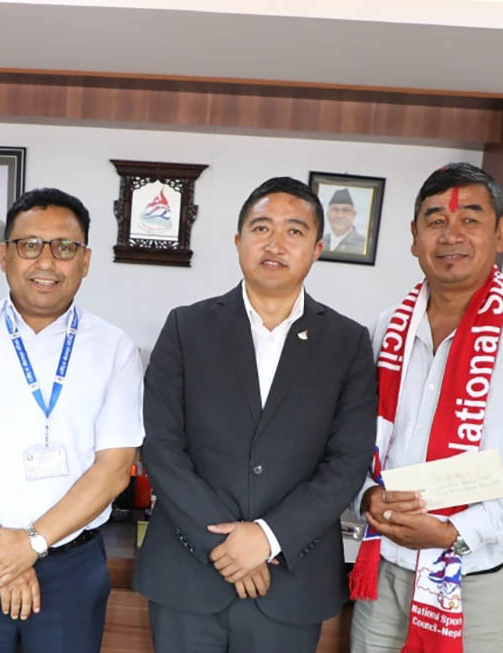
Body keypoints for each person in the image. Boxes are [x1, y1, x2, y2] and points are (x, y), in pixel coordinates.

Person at [134, 176, 377, 652]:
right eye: (261, 228)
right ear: (238, 241)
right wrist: (226, 546)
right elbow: (161, 446)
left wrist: (267, 538)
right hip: (188, 575)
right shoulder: (187, 327)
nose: (275, 243)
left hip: (291, 580)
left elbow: (347, 462)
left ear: (317, 248)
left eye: (294, 231)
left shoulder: (347, 343)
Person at [348, 163, 503, 653]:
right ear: (414, 238)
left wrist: (455, 531)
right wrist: (368, 498)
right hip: (386, 573)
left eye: (470, 220)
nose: (451, 235)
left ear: (502, 232)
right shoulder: (383, 331)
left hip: (479, 580)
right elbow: (350, 442)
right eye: (435, 221)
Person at [0, 187, 143, 652]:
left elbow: (114, 469)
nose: (46, 261)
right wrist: (2, 551)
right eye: (30, 245)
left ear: (85, 261)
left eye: (64, 248)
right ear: (4, 256)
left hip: (70, 567)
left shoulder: (115, 348)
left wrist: (32, 544)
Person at [322, 187, 367, 255]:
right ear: (328, 215)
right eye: (335, 209)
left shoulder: (363, 244)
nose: (340, 216)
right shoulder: (320, 241)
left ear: (354, 215)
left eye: (345, 210)